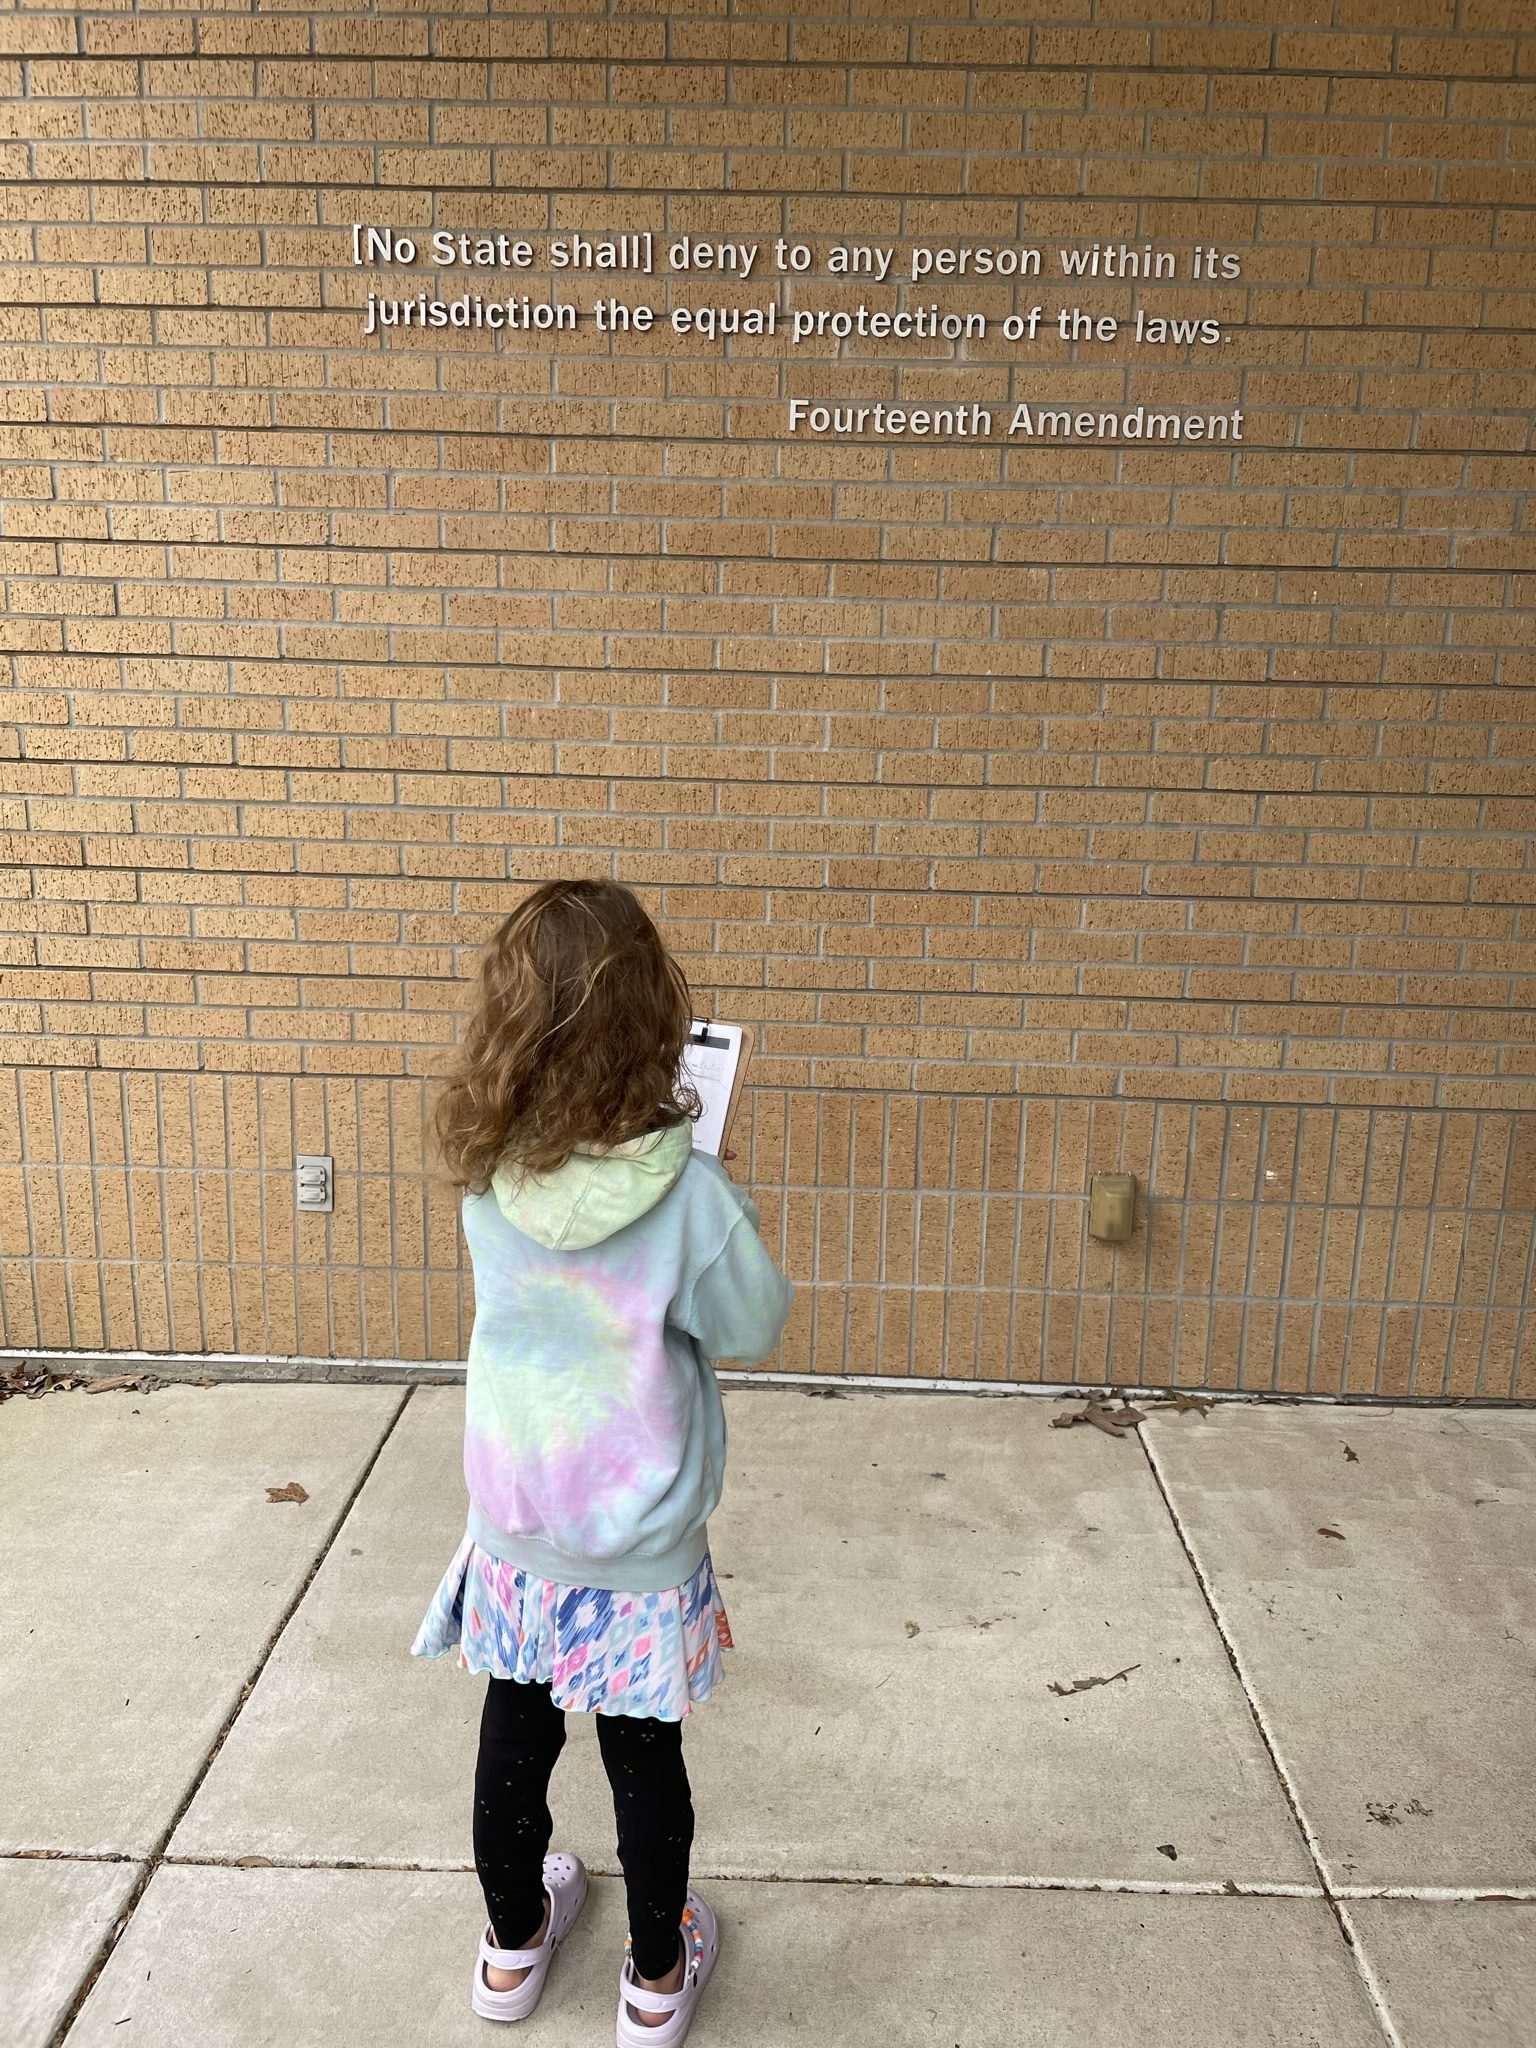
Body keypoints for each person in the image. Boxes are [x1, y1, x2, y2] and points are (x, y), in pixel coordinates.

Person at [413, 878, 792, 2045]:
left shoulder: (490, 1174)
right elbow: (752, 1323)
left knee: (512, 1737)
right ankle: (653, 1981)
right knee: (644, 1760)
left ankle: (512, 1946)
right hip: (641, 1536)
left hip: (522, 1515)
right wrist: (721, 1194)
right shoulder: (691, 1195)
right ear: (652, 1024)